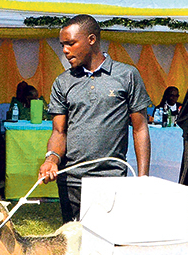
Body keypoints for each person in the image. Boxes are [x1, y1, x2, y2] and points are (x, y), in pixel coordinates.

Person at [39, 14, 152, 223]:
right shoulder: (63, 82)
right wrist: (51, 159)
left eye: (71, 43)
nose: (65, 50)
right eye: (62, 45)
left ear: (91, 39)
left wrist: (142, 178)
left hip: (112, 178)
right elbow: (59, 131)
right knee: (75, 240)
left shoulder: (127, 75)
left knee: (109, 239)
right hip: (71, 180)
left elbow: (140, 128)